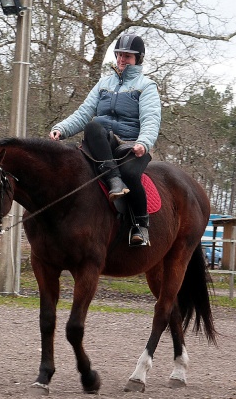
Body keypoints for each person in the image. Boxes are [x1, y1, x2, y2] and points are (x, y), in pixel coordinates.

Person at [49, 33, 161, 246]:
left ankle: (140, 225)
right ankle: (113, 181)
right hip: (103, 144)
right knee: (92, 126)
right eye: (119, 55)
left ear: (138, 59)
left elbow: (151, 118)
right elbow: (84, 113)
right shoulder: (103, 83)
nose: (121, 60)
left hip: (129, 144)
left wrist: (144, 143)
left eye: (127, 56)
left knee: (129, 173)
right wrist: (61, 129)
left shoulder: (146, 86)